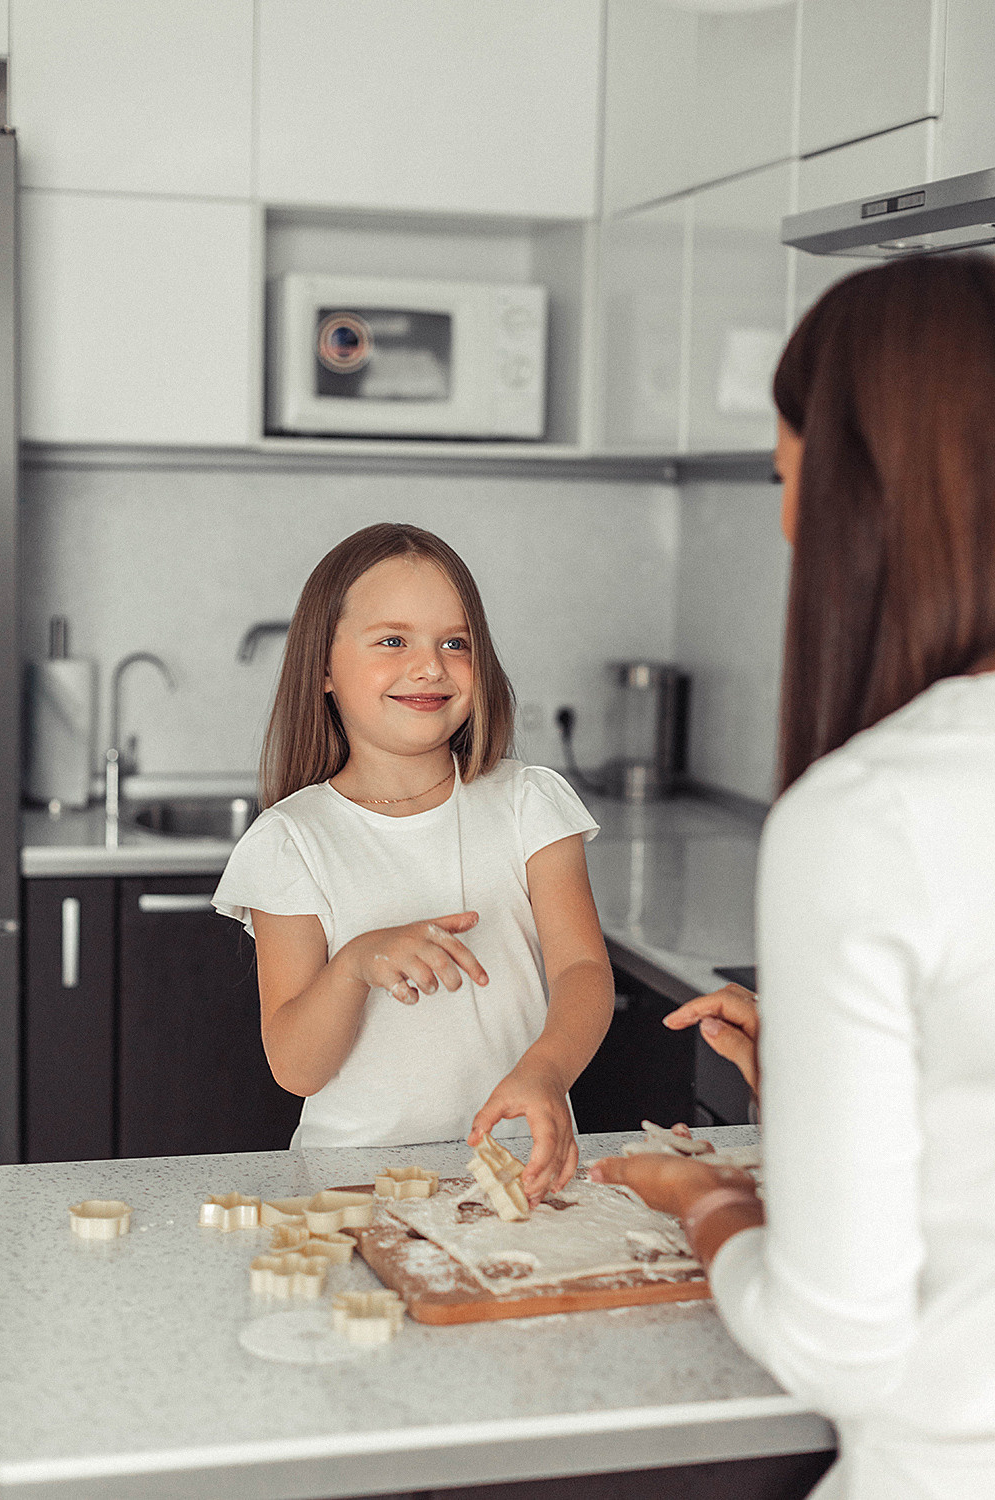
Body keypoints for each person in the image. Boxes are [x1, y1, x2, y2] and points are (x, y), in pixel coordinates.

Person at [592, 254, 995, 1499]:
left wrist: (705, 1202)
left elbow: (842, 1343)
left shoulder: (873, 814)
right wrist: (828, 1091)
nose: (782, 525)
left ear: (857, 499)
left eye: (786, 479)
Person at [213, 522, 614, 1202]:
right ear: (324, 670)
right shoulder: (290, 840)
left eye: (454, 643)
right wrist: (354, 965)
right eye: (394, 641)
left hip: (521, 1172)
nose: (431, 666)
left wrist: (547, 1069)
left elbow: (583, 971)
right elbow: (295, 1067)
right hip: (350, 1185)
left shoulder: (529, 804)